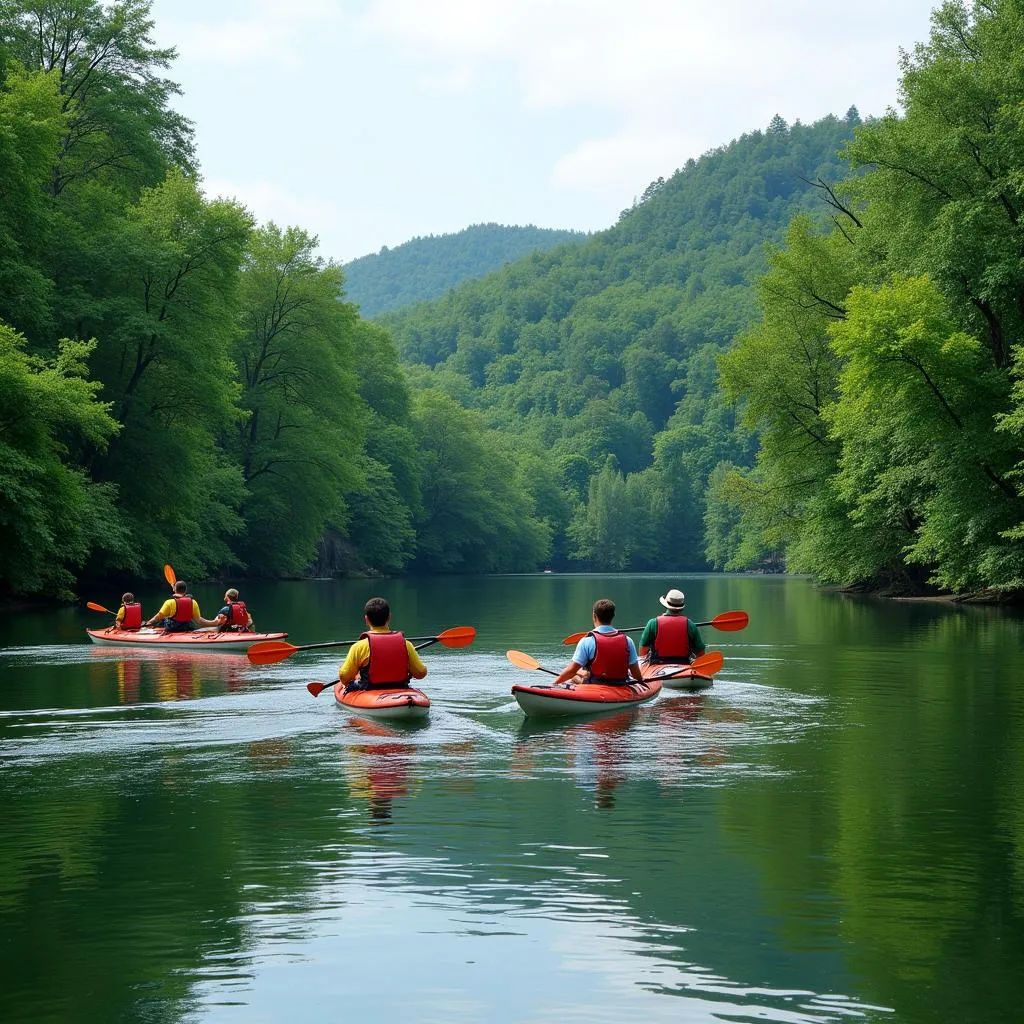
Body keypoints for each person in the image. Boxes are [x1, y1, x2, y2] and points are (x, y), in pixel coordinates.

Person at [338, 597, 428, 690]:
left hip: (369, 691)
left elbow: (345, 677)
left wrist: (350, 673)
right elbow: (420, 673)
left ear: (366, 619)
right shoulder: (406, 644)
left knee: (347, 676)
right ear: (389, 617)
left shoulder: (359, 647)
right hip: (400, 689)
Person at [553, 598, 643, 686]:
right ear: (613, 616)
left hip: (595, 685)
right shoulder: (628, 641)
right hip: (620, 684)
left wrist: (554, 684)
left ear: (594, 616)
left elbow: (571, 671)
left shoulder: (586, 641)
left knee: (574, 676)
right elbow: (635, 672)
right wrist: (641, 682)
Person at [638, 588, 706, 664]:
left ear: (666, 605)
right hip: (684, 663)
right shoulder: (690, 624)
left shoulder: (653, 623)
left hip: (658, 664)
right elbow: (701, 653)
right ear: (681, 608)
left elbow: (643, 651)